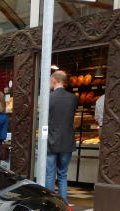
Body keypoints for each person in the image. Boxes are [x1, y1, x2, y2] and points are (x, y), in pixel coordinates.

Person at [46, 70, 78, 202]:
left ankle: (51, 202)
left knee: (49, 174)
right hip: (67, 141)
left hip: (52, 141)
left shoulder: (49, 98)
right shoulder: (73, 98)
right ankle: (64, 203)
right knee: (63, 175)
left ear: (54, 81)